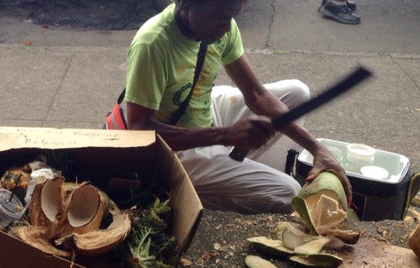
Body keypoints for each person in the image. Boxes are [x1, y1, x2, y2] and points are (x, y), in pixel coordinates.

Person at [124, 0, 352, 214]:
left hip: (205, 108)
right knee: (288, 193)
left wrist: (316, 148)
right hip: (173, 148)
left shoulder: (222, 26)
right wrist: (224, 135)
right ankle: (193, 191)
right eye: (219, 16)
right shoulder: (153, 43)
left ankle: (240, 173)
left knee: (298, 93)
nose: (225, 27)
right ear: (186, 2)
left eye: (232, 16)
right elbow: (139, 131)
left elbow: (256, 95)